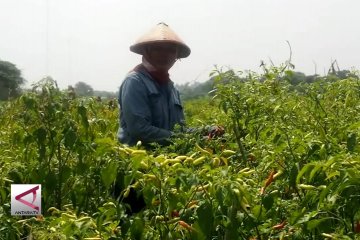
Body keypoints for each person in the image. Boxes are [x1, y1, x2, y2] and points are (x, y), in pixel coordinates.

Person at [117, 22, 191, 146]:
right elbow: (139, 130)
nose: (165, 55)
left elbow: (179, 130)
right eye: (158, 49)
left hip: (169, 158)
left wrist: (204, 132)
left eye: (171, 50)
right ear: (146, 52)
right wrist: (181, 138)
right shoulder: (135, 82)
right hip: (139, 159)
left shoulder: (171, 88)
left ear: (177, 56)